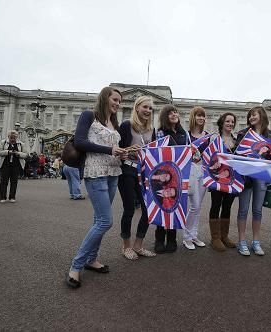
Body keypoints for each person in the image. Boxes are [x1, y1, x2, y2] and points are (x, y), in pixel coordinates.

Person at [66, 86, 125, 289]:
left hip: (113, 173)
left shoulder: (113, 122)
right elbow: (80, 142)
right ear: (104, 98)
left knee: (98, 219)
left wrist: (124, 153)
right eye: (114, 99)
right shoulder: (88, 115)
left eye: (119, 101)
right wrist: (111, 149)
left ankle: (92, 259)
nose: (117, 103)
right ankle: (76, 265)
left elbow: (114, 150)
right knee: (105, 221)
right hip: (96, 172)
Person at [117, 96, 156, 260]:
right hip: (127, 170)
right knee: (129, 209)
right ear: (137, 107)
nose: (148, 111)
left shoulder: (151, 129)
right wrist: (128, 149)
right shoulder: (126, 125)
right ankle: (126, 246)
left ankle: (138, 245)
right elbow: (116, 149)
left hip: (144, 172)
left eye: (150, 108)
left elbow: (154, 152)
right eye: (145, 107)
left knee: (148, 210)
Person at [235, 106, 271, 256]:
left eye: (254, 115)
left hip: (262, 176)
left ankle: (256, 241)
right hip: (246, 177)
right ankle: (241, 241)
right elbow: (237, 154)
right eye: (250, 116)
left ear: (262, 116)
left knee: (257, 210)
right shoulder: (243, 134)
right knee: (243, 210)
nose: (251, 118)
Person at [154, 104, 190, 254]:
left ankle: (172, 239)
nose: (174, 114)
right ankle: (159, 239)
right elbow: (159, 151)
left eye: (175, 112)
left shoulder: (184, 133)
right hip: (164, 173)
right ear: (165, 116)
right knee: (163, 204)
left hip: (179, 175)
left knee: (175, 205)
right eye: (170, 113)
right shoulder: (161, 132)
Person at [208, 112, 238, 252]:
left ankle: (224, 236)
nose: (230, 124)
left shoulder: (236, 139)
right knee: (216, 205)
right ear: (222, 122)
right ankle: (215, 238)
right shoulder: (215, 138)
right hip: (217, 178)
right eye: (228, 121)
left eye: (232, 122)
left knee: (227, 206)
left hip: (231, 179)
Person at [183, 106, 208, 250]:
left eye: (203, 116)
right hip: (191, 170)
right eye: (198, 115)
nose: (201, 118)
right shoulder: (186, 135)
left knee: (198, 207)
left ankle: (193, 235)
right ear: (193, 117)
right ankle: (186, 237)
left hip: (203, 170)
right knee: (195, 205)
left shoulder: (207, 135)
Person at [0, 130, 28, 203]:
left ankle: (12, 197)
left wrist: (18, 153)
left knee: (14, 182)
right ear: (8, 137)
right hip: (5, 165)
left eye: (14, 138)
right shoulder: (3, 142)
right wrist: (7, 152)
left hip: (16, 165)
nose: (12, 139)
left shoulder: (21, 144)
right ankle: (2, 197)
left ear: (17, 137)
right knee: (4, 181)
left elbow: (26, 154)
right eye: (11, 138)